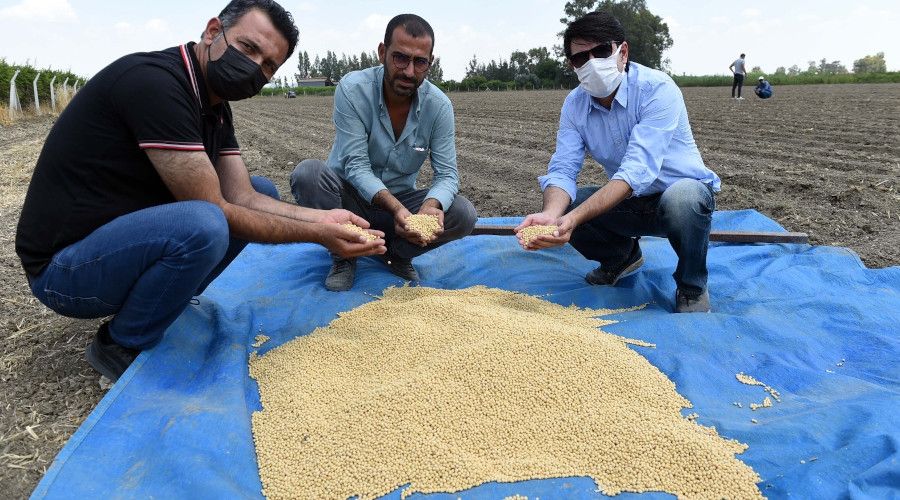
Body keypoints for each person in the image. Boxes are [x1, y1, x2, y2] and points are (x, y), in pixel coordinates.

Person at [14, 0, 386, 382]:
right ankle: (120, 342)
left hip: (115, 246)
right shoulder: (155, 83)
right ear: (212, 32)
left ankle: (165, 298)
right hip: (65, 270)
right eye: (248, 48)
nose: (255, 68)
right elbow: (216, 209)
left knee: (261, 189)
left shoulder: (215, 107)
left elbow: (245, 196)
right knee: (205, 222)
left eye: (268, 66)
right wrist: (319, 234)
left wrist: (326, 218)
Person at [515, 11, 721, 313]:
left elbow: (637, 170)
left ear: (622, 52)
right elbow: (563, 168)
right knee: (570, 204)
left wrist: (572, 220)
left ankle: (691, 285)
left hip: (676, 198)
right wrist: (552, 215)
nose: (592, 63)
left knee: (684, 199)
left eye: (601, 51)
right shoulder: (575, 104)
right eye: (580, 58)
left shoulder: (657, 90)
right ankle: (620, 257)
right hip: (631, 202)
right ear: (572, 65)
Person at [290, 14, 477, 292]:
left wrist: (429, 208)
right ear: (382, 52)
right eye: (400, 58)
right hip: (349, 199)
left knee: (463, 213)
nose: (409, 71)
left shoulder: (439, 106)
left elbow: (448, 174)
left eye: (420, 62)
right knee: (308, 174)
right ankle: (344, 256)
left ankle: (397, 255)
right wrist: (399, 210)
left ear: (430, 63)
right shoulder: (353, 89)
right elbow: (356, 166)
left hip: (399, 202)